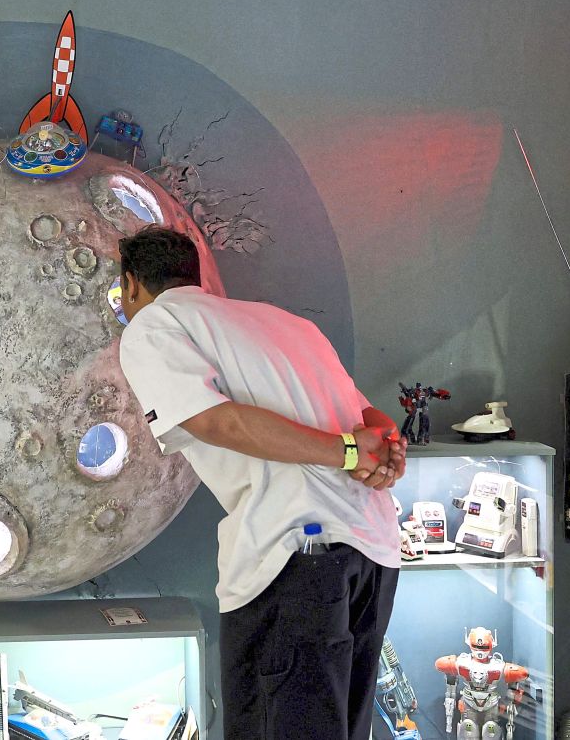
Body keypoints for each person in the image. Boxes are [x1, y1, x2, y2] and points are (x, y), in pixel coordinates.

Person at [115, 226, 405, 740]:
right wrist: (386, 451)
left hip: (295, 555)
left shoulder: (155, 324)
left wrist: (349, 451)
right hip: (373, 552)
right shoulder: (284, 322)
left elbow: (217, 422)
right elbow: (371, 417)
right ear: (196, 277)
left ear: (131, 285)